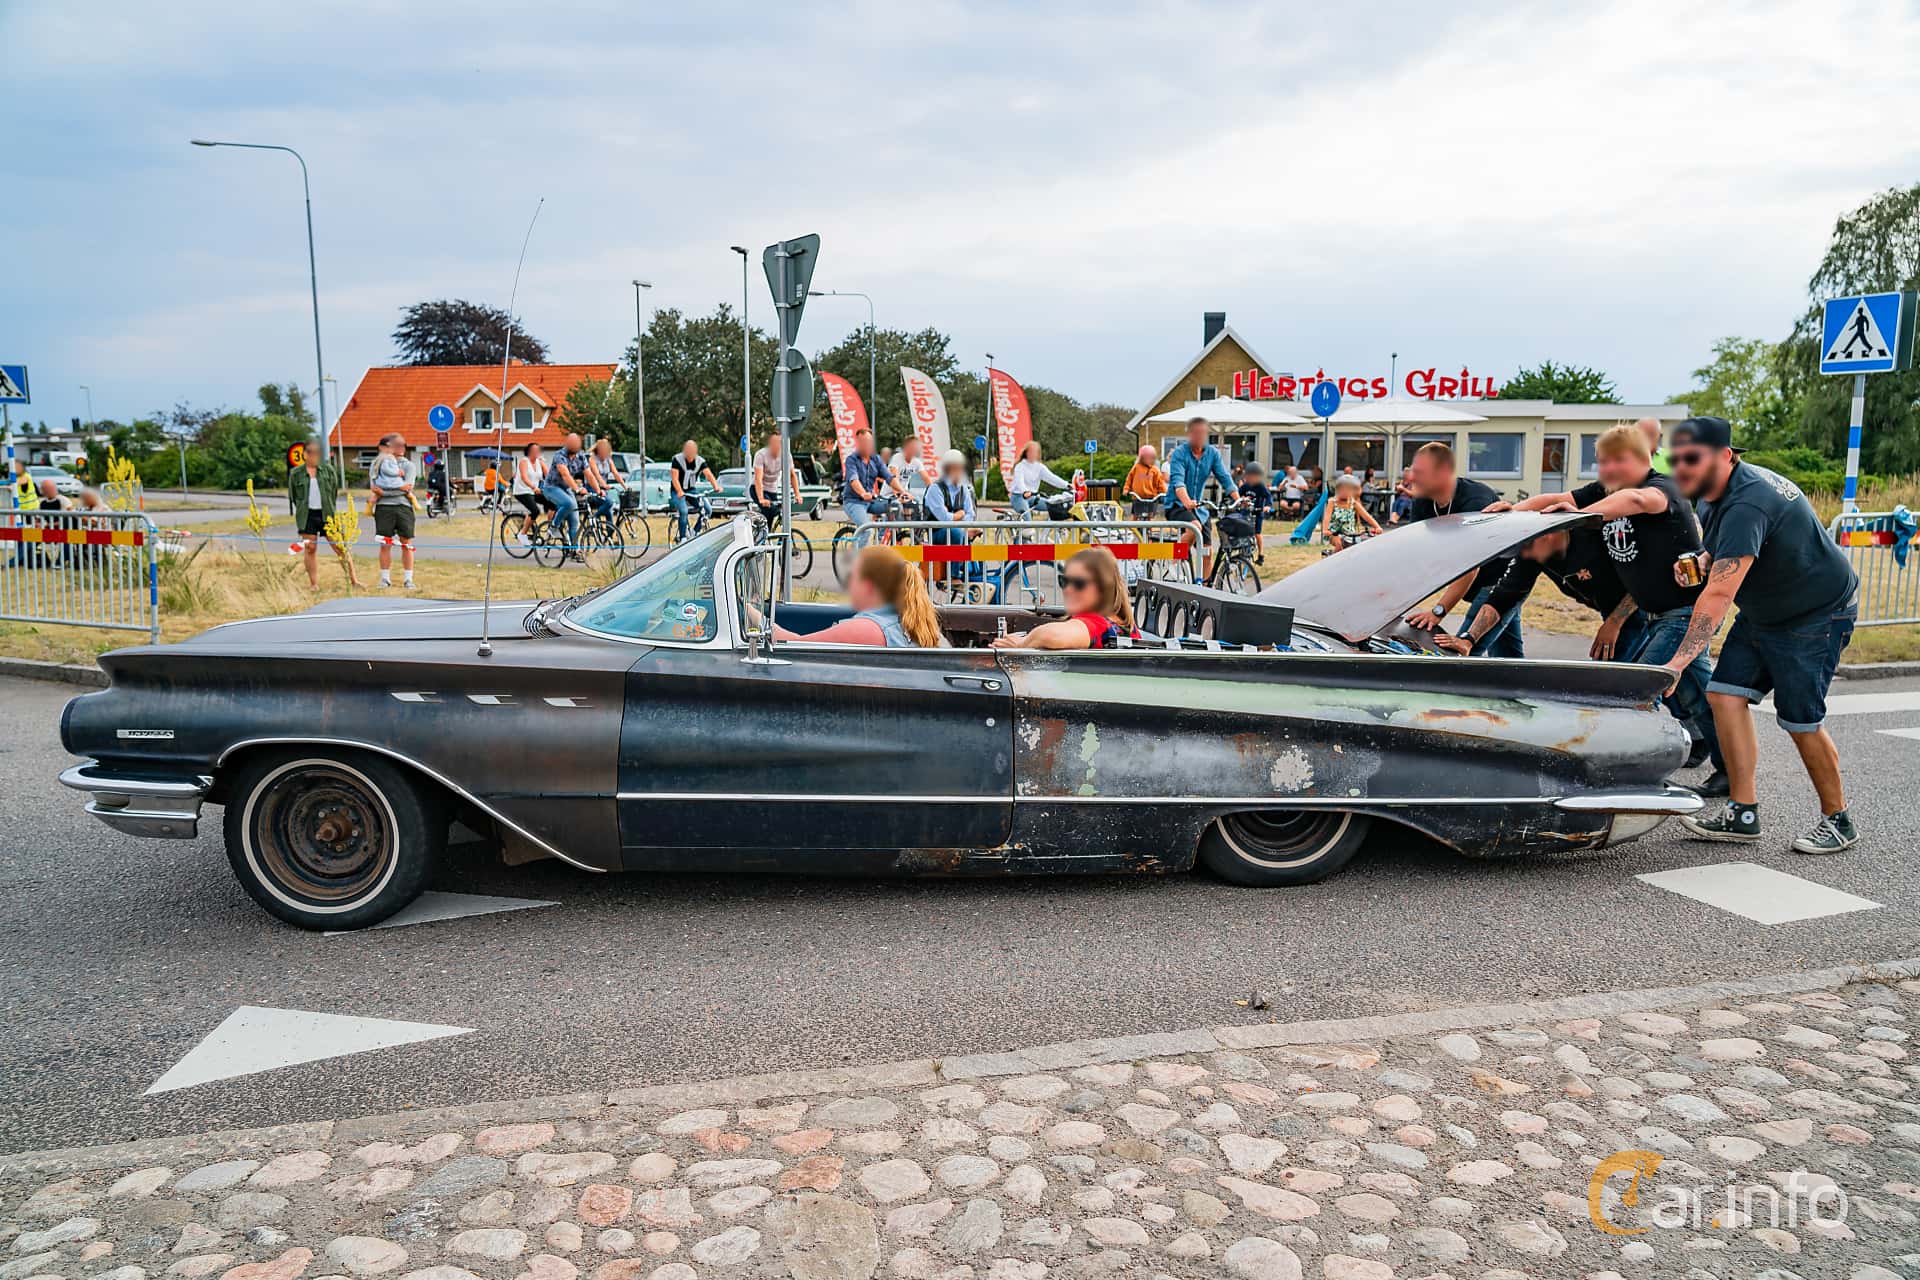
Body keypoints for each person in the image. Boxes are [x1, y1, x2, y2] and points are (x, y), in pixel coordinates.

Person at [1661, 416, 1861, 854]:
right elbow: (1726, 550)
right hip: (1765, 611)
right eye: (1676, 460)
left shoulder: (1749, 500)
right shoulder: (1712, 494)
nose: (1682, 469)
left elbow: (1717, 594)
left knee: (1800, 719)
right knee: (1724, 696)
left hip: (1816, 614)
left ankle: (1838, 820)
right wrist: (1700, 556)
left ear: (1726, 456)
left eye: (1692, 459)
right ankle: (1743, 813)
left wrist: (1677, 662)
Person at [1511, 422, 1720, 776]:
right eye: (1602, 462)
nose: (1607, 470)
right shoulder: (1604, 489)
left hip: (1683, 613)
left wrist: (1577, 516)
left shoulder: (1661, 488)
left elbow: (1638, 501)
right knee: (1700, 700)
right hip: (1657, 615)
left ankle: (1625, 774)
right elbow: (1556, 498)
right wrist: (1511, 513)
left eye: (1617, 461)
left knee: (1635, 692)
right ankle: (1729, 769)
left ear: (1642, 458)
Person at [1400, 441, 1521, 657]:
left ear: (1444, 472)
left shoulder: (1476, 500)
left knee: (1462, 651)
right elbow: (1413, 552)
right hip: (1477, 583)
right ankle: (1518, 689)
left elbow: (1470, 567)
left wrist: (1438, 611)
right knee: (1507, 655)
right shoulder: (1423, 501)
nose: (1412, 478)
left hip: (1501, 579)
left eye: (1420, 472)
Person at [1435, 523, 1625, 657]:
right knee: (1607, 674)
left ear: (1547, 536)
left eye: (1526, 547)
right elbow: (1502, 597)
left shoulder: (1593, 538)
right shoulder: (1534, 554)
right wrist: (1468, 639)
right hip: (1609, 609)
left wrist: (1614, 622)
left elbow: (1643, 583)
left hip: (1639, 606)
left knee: (1616, 678)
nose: (1524, 553)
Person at [769, 545, 942, 647]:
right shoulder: (905, 619)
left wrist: (752, 615)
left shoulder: (868, 628)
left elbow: (796, 645)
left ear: (868, 586)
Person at [992, 547, 1141, 650]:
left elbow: (1051, 635)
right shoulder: (1119, 620)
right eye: (1064, 582)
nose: (1068, 590)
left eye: (1079, 583)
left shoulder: (1098, 624)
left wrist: (1021, 645)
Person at [1165, 417, 1236, 579]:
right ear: (1189, 434)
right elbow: (1178, 481)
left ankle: (1204, 588)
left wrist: (1239, 499)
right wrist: (1186, 501)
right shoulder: (1180, 453)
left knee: (1207, 552)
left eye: (1203, 433)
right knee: (1194, 526)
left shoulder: (1212, 453)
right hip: (1177, 505)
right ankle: (1174, 562)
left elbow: (1224, 477)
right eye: (1196, 433)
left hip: (1199, 507)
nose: (1200, 436)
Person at [287, 441, 357, 589]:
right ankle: (314, 584)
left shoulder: (328, 470)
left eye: (317, 452)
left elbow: (333, 491)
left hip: (327, 514)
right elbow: (293, 495)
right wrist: (301, 509)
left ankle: (353, 581)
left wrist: (329, 507)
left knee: (340, 547)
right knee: (310, 548)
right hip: (307, 516)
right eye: (311, 452)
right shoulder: (296, 473)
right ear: (305, 454)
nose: (315, 455)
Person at [368, 433, 417, 589]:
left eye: (403, 445)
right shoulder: (377, 463)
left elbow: (407, 488)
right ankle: (385, 578)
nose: (401, 448)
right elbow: (375, 486)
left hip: (403, 507)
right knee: (384, 543)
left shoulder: (409, 466)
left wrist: (385, 493)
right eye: (397, 445)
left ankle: (408, 579)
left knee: (406, 543)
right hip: (384, 508)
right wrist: (384, 492)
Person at [842, 429, 909, 527]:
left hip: (871, 501)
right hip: (854, 502)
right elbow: (853, 480)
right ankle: (864, 540)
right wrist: (863, 493)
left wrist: (903, 492)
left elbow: (889, 478)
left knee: (895, 506)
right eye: (863, 441)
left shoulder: (876, 459)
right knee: (866, 528)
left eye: (868, 441)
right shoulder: (851, 460)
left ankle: (884, 536)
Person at [542, 432, 593, 561]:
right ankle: (553, 527)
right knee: (569, 504)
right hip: (551, 487)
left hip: (566, 488)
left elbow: (589, 474)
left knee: (574, 520)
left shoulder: (581, 457)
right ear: (567, 443)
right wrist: (577, 489)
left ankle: (574, 550)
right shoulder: (559, 455)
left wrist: (599, 490)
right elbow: (565, 474)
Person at [668, 439, 721, 541]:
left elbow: (708, 475)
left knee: (707, 510)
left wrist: (716, 486)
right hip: (677, 490)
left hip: (691, 490)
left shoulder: (700, 461)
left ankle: (694, 532)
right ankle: (682, 538)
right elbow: (674, 478)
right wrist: (679, 491)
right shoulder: (677, 460)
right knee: (683, 511)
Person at [750, 431, 802, 526]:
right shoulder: (761, 455)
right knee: (770, 510)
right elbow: (758, 478)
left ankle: (767, 535)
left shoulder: (786, 455)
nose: (776, 446)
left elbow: (792, 475)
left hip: (772, 490)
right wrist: (761, 498)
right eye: (773, 443)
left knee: (774, 513)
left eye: (778, 443)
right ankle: (758, 532)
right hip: (757, 489)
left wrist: (797, 494)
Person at [1321, 473, 1381, 551]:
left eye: (1349, 490)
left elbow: (1366, 516)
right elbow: (1327, 517)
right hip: (1334, 533)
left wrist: (1377, 526)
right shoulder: (1332, 502)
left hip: (1349, 533)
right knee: (1339, 544)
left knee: (1356, 547)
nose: (1346, 492)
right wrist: (1325, 529)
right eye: (1343, 489)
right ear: (1338, 490)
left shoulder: (1353, 503)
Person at [1009, 441, 1071, 516]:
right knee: (1027, 519)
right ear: (1026, 453)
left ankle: (1048, 527)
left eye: (1035, 452)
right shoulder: (1020, 466)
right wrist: (1025, 491)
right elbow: (1020, 482)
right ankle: (1028, 527)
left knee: (1054, 507)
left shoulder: (1039, 467)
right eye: (1031, 451)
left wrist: (1067, 485)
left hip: (1033, 497)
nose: (1033, 454)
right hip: (1019, 497)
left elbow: (1052, 478)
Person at [511, 442, 549, 541]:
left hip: (534, 491)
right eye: (535, 450)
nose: (537, 452)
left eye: (538, 450)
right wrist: (534, 487)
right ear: (529, 451)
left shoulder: (539, 462)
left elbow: (548, 475)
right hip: (522, 491)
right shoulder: (524, 461)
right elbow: (524, 477)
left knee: (553, 503)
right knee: (535, 511)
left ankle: (551, 529)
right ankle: (522, 533)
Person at [1237, 462, 1274, 562]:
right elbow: (1237, 494)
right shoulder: (1245, 486)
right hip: (1246, 512)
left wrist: (1267, 506)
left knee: (1257, 533)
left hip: (1257, 513)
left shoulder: (1260, 487)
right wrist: (1241, 499)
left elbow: (1268, 496)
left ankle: (1261, 554)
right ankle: (1242, 550)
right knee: (1242, 530)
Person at [1123, 446, 1167, 519]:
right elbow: (1129, 479)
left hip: (1151, 497)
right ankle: (1133, 529)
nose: (1149, 460)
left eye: (1151, 458)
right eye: (1146, 458)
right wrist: (1126, 489)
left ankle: (1149, 529)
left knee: (1150, 516)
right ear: (1142, 458)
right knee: (1135, 515)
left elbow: (1160, 482)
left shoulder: (1155, 470)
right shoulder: (1136, 467)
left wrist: (1165, 492)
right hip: (1138, 496)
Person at [590, 440, 625, 518]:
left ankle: (610, 530)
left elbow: (616, 473)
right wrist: (604, 485)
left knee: (609, 512)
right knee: (609, 502)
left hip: (603, 489)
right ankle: (594, 518)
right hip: (593, 488)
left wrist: (625, 486)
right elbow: (597, 475)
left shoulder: (608, 460)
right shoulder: (592, 459)